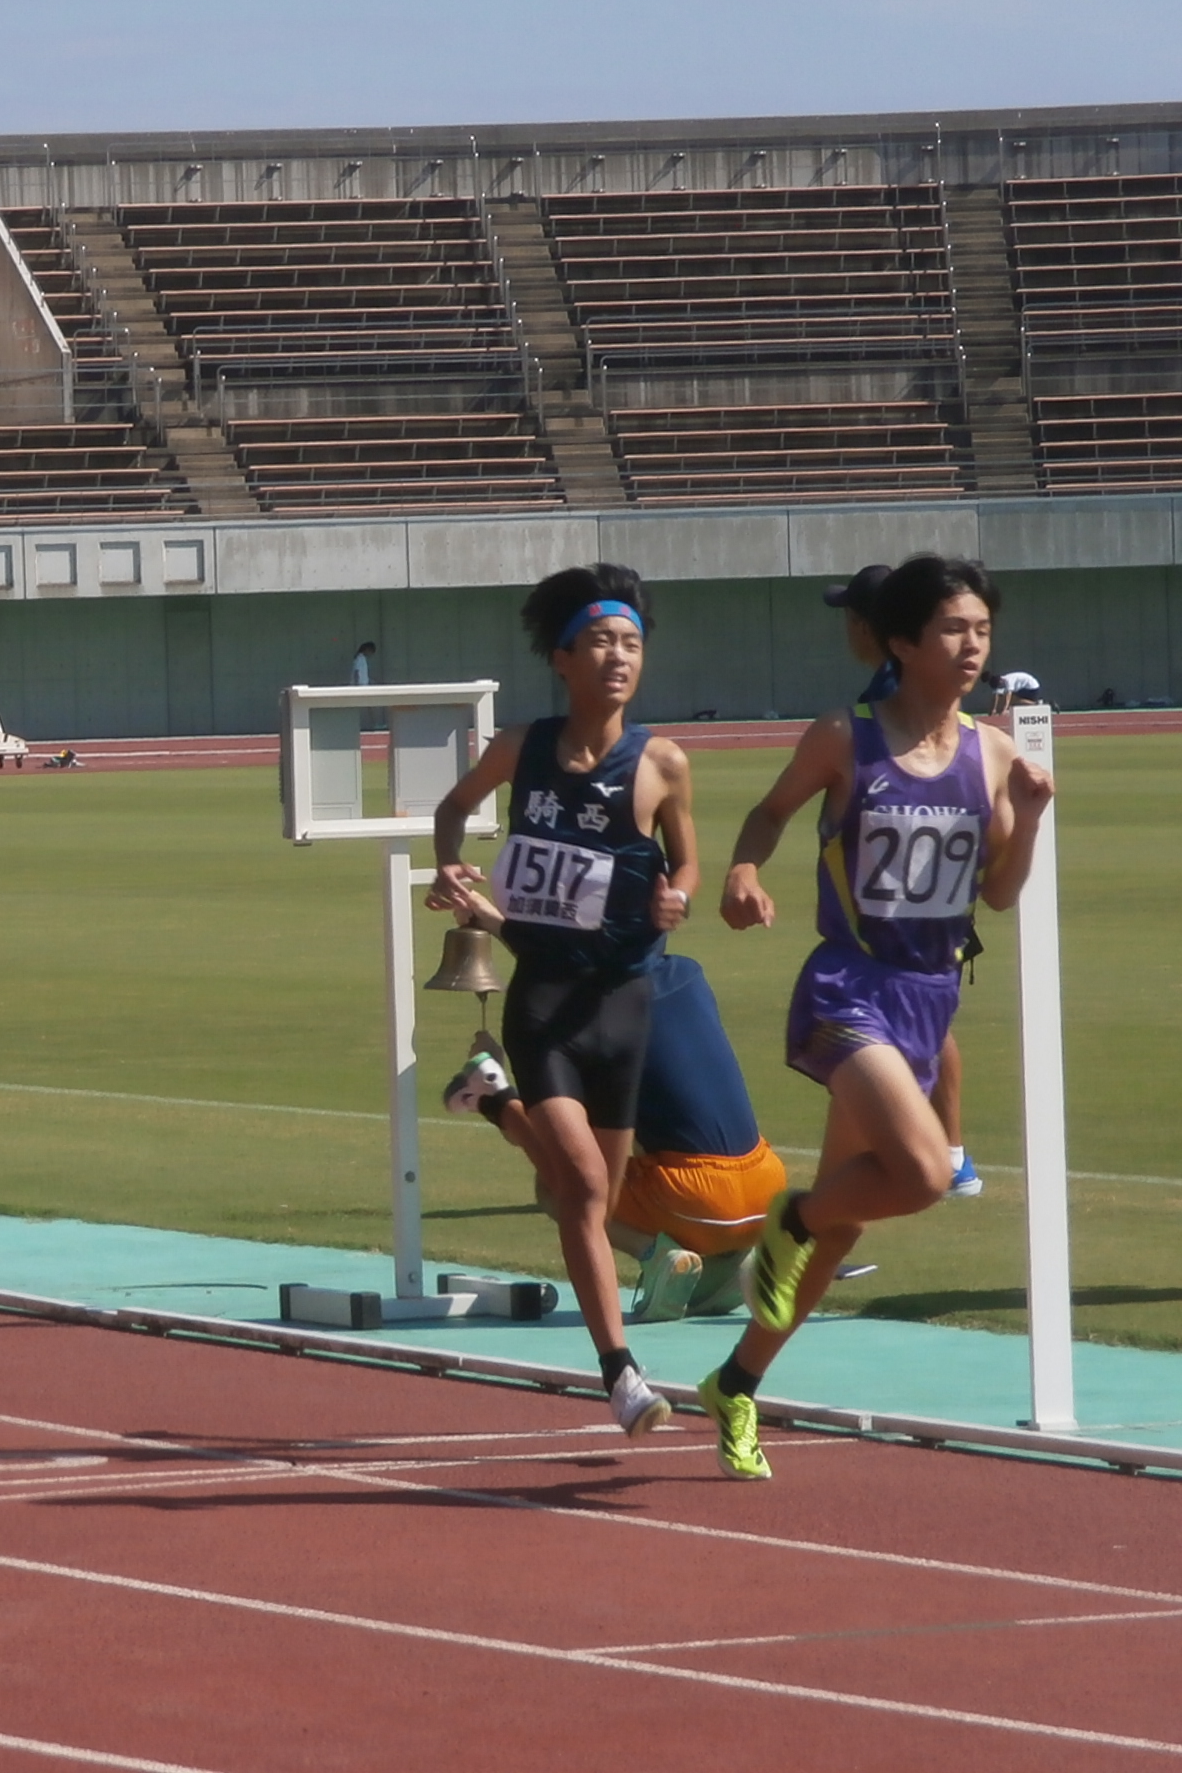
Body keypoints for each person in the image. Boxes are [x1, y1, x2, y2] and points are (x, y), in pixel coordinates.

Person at [702, 556, 1054, 1480]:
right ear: (903, 641)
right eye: (953, 629)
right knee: (925, 1174)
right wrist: (743, 870)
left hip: (928, 996)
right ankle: (791, 1216)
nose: (972, 646)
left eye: (982, 629)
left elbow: (999, 894)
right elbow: (770, 813)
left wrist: (1028, 818)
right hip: (847, 987)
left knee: (844, 1226)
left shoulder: (993, 754)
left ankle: (737, 1382)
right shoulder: (844, 737)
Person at [429, 564, 697, 1437]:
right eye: (601, 642)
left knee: (583, 1197)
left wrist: (678, 896)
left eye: (632, 644)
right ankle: (621, 1373)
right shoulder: (521, 747)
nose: (619, 657)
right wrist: (449, 864)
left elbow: (687, 862)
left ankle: (491, 1100)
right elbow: (454, 806)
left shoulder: (662, 762)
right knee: (579, 1185)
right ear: (562, 658)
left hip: (624, 1002)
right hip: (542, 995)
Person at [447, 924, 786, 1323]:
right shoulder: (689, 974)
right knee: (654, 1147)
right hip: (767, 1190)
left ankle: (656, 1256)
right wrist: (492, 920)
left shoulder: (607, 1016)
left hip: (699, 1201)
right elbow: (578, 970)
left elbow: (563, 1143)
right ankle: (727, 1265)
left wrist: (498, 1099)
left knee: (561, 1185)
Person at [828, 566, 982, 1200]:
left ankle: (948, 1153)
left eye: (850, 618)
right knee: (922, 1025)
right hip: (922, 891)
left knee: (921, 1027)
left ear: (873, 628)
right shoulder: (884, 692)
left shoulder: (893, 694)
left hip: (906, 907)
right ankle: (946, 1155)